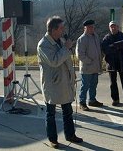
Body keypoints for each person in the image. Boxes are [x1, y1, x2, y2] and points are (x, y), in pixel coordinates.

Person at [37, 16, 83, 149]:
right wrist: (66, 48)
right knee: (50, 113)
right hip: (52, 83)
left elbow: (67, 60)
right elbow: (54, 61)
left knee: (67, 111)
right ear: (53, 29)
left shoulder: (61, 40)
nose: (63, 30)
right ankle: (53, 139)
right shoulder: (43, 44)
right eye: (61, 28)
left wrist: (72, 74)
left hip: (65, 81)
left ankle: (70, 135)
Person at [101, 21, 123, 108]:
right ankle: (115, 99)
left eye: (114, 26)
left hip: (122, 63)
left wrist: (112, 45)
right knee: (113, 83)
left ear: (118, 27)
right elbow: (105, 50)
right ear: (109, 28)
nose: (113, 28)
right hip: (111, 63)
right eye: (111, 27)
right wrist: (117, 47)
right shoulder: (106, 38)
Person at [76, 19, 103, 111]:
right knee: (85, 86)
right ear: (85, 28)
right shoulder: (82, 39)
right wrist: (89, 61)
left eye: (93, 27)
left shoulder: (95, 36)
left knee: (93, 85)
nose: (92, 28)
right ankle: (82, 102)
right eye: (90, 27)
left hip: (95, 66)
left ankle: (92, 100)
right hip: (87, 67)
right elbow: (80, 55)